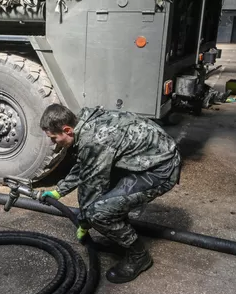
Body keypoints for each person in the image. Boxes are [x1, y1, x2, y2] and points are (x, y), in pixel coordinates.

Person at [39, 104, 182, 284]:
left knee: (97, 213)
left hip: (159, 169)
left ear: (67, 130)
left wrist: (83, 221)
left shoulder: (95, 139)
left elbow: (92, 187)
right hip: (144, 160)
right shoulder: (85, 122)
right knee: (105, 202)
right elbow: (86, 164)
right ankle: (118, 233)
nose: (53, 143)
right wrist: (58, 192)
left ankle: (139, 257)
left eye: (54, 138)